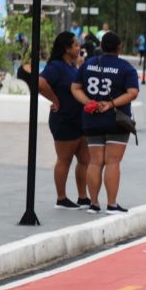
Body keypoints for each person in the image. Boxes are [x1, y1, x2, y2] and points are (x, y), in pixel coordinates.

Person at [71, 32, 140, 214]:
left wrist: (88, 102)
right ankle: (111, 204)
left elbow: (75, 87)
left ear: (101, 45)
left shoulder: (89, 64)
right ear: (119, 47)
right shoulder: (125, 68)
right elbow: (132, 92)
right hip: (116, 120)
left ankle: (93, 203)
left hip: (92, 118)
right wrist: (110, 104)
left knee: (94, 162)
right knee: (112, 162)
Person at [38, 31, 91, 210]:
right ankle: (61, 198)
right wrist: (54, 99)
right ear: (66, 49)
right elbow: (40, 83)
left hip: (79, 119)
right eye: (76, 45)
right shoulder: (56, 66)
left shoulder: (72, 66)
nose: (79, 47)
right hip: (64, 119)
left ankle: (83, 197)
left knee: (85, 159)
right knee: (64, 159)